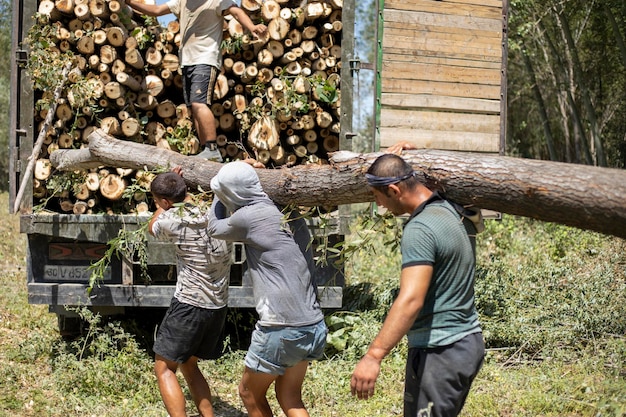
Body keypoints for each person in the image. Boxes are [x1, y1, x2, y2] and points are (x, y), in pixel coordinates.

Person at [350, 151, 485, 417]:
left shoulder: (420, 229)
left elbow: (411, 299)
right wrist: (407, 151)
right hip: (466, 344)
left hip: (440, 351)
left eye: (378, 197)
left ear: (394, 190)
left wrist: (373, 355)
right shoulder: (454, 210)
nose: (380, 206)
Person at [207, 161, 327, 417]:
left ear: (232, 195)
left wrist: (217, 196)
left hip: (281, 329)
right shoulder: (287, 211)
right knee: (290, 397)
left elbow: (214, 228)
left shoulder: (247, 217)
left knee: (249, 393)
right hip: (311, 324)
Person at [126, 0, 267, 162]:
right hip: (187, 62)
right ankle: (206, 151)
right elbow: (156, 10)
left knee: (199, 103)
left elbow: (236, 11)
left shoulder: (217, 1)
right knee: (194, 108)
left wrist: (252, 27)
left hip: (205, 59)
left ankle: (212, 149)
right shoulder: (182, 2)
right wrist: (129, 2)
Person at [148, 168, 232, 417]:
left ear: (164, 202)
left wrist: (161, 206)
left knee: (164, 367)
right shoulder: (217, 213)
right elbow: (189, 202)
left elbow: (152, 225)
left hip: (189, 304)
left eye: (157, 201)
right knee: (189, 363)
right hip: (217, 305)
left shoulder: (170, 220)